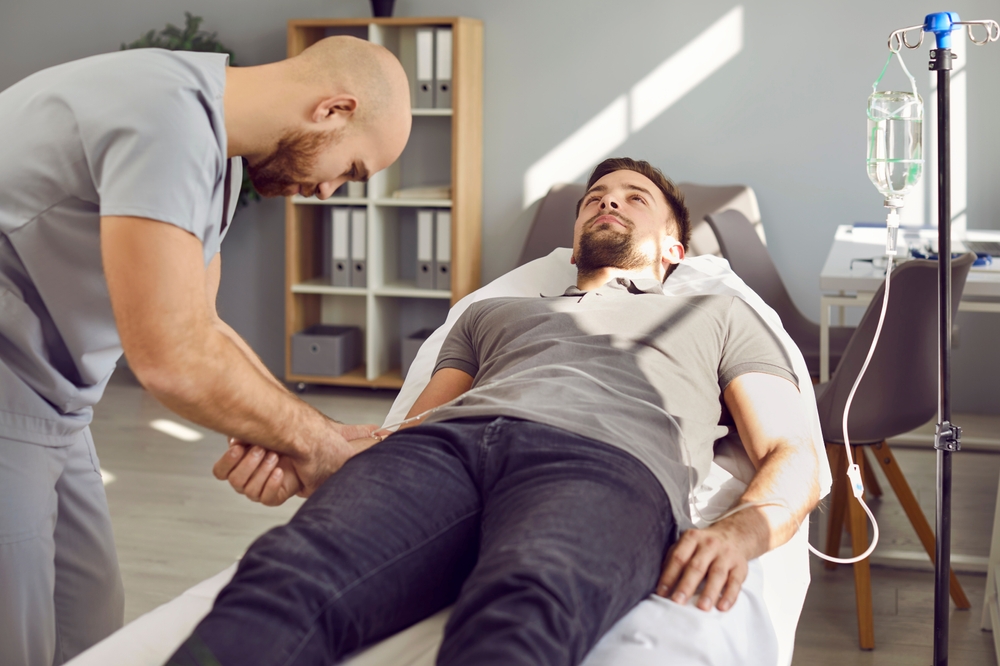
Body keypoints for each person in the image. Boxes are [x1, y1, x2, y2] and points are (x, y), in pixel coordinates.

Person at [176, 158, 821, 666]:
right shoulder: (492, 312)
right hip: (443, 450)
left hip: (604, 464)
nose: (608, 203)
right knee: (286, 576)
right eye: (595, 198)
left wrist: (740, 532)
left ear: (673, 251)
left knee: (521, 616)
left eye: (634, 198)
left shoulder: (718, 313)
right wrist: (317, 451)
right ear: (574, 242)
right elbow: (412, 425)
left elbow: (792, 451)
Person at [0, 35, 411, 666]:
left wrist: (308, 434)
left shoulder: (215, 149)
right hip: (10, 390)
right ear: (333, 110)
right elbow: (173, 358)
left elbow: (203, 327)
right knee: (18, 641)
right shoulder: (165, 118)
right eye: (350, 170)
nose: (330, 191)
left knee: (91, 621)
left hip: (53, 401)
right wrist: (319, 449)